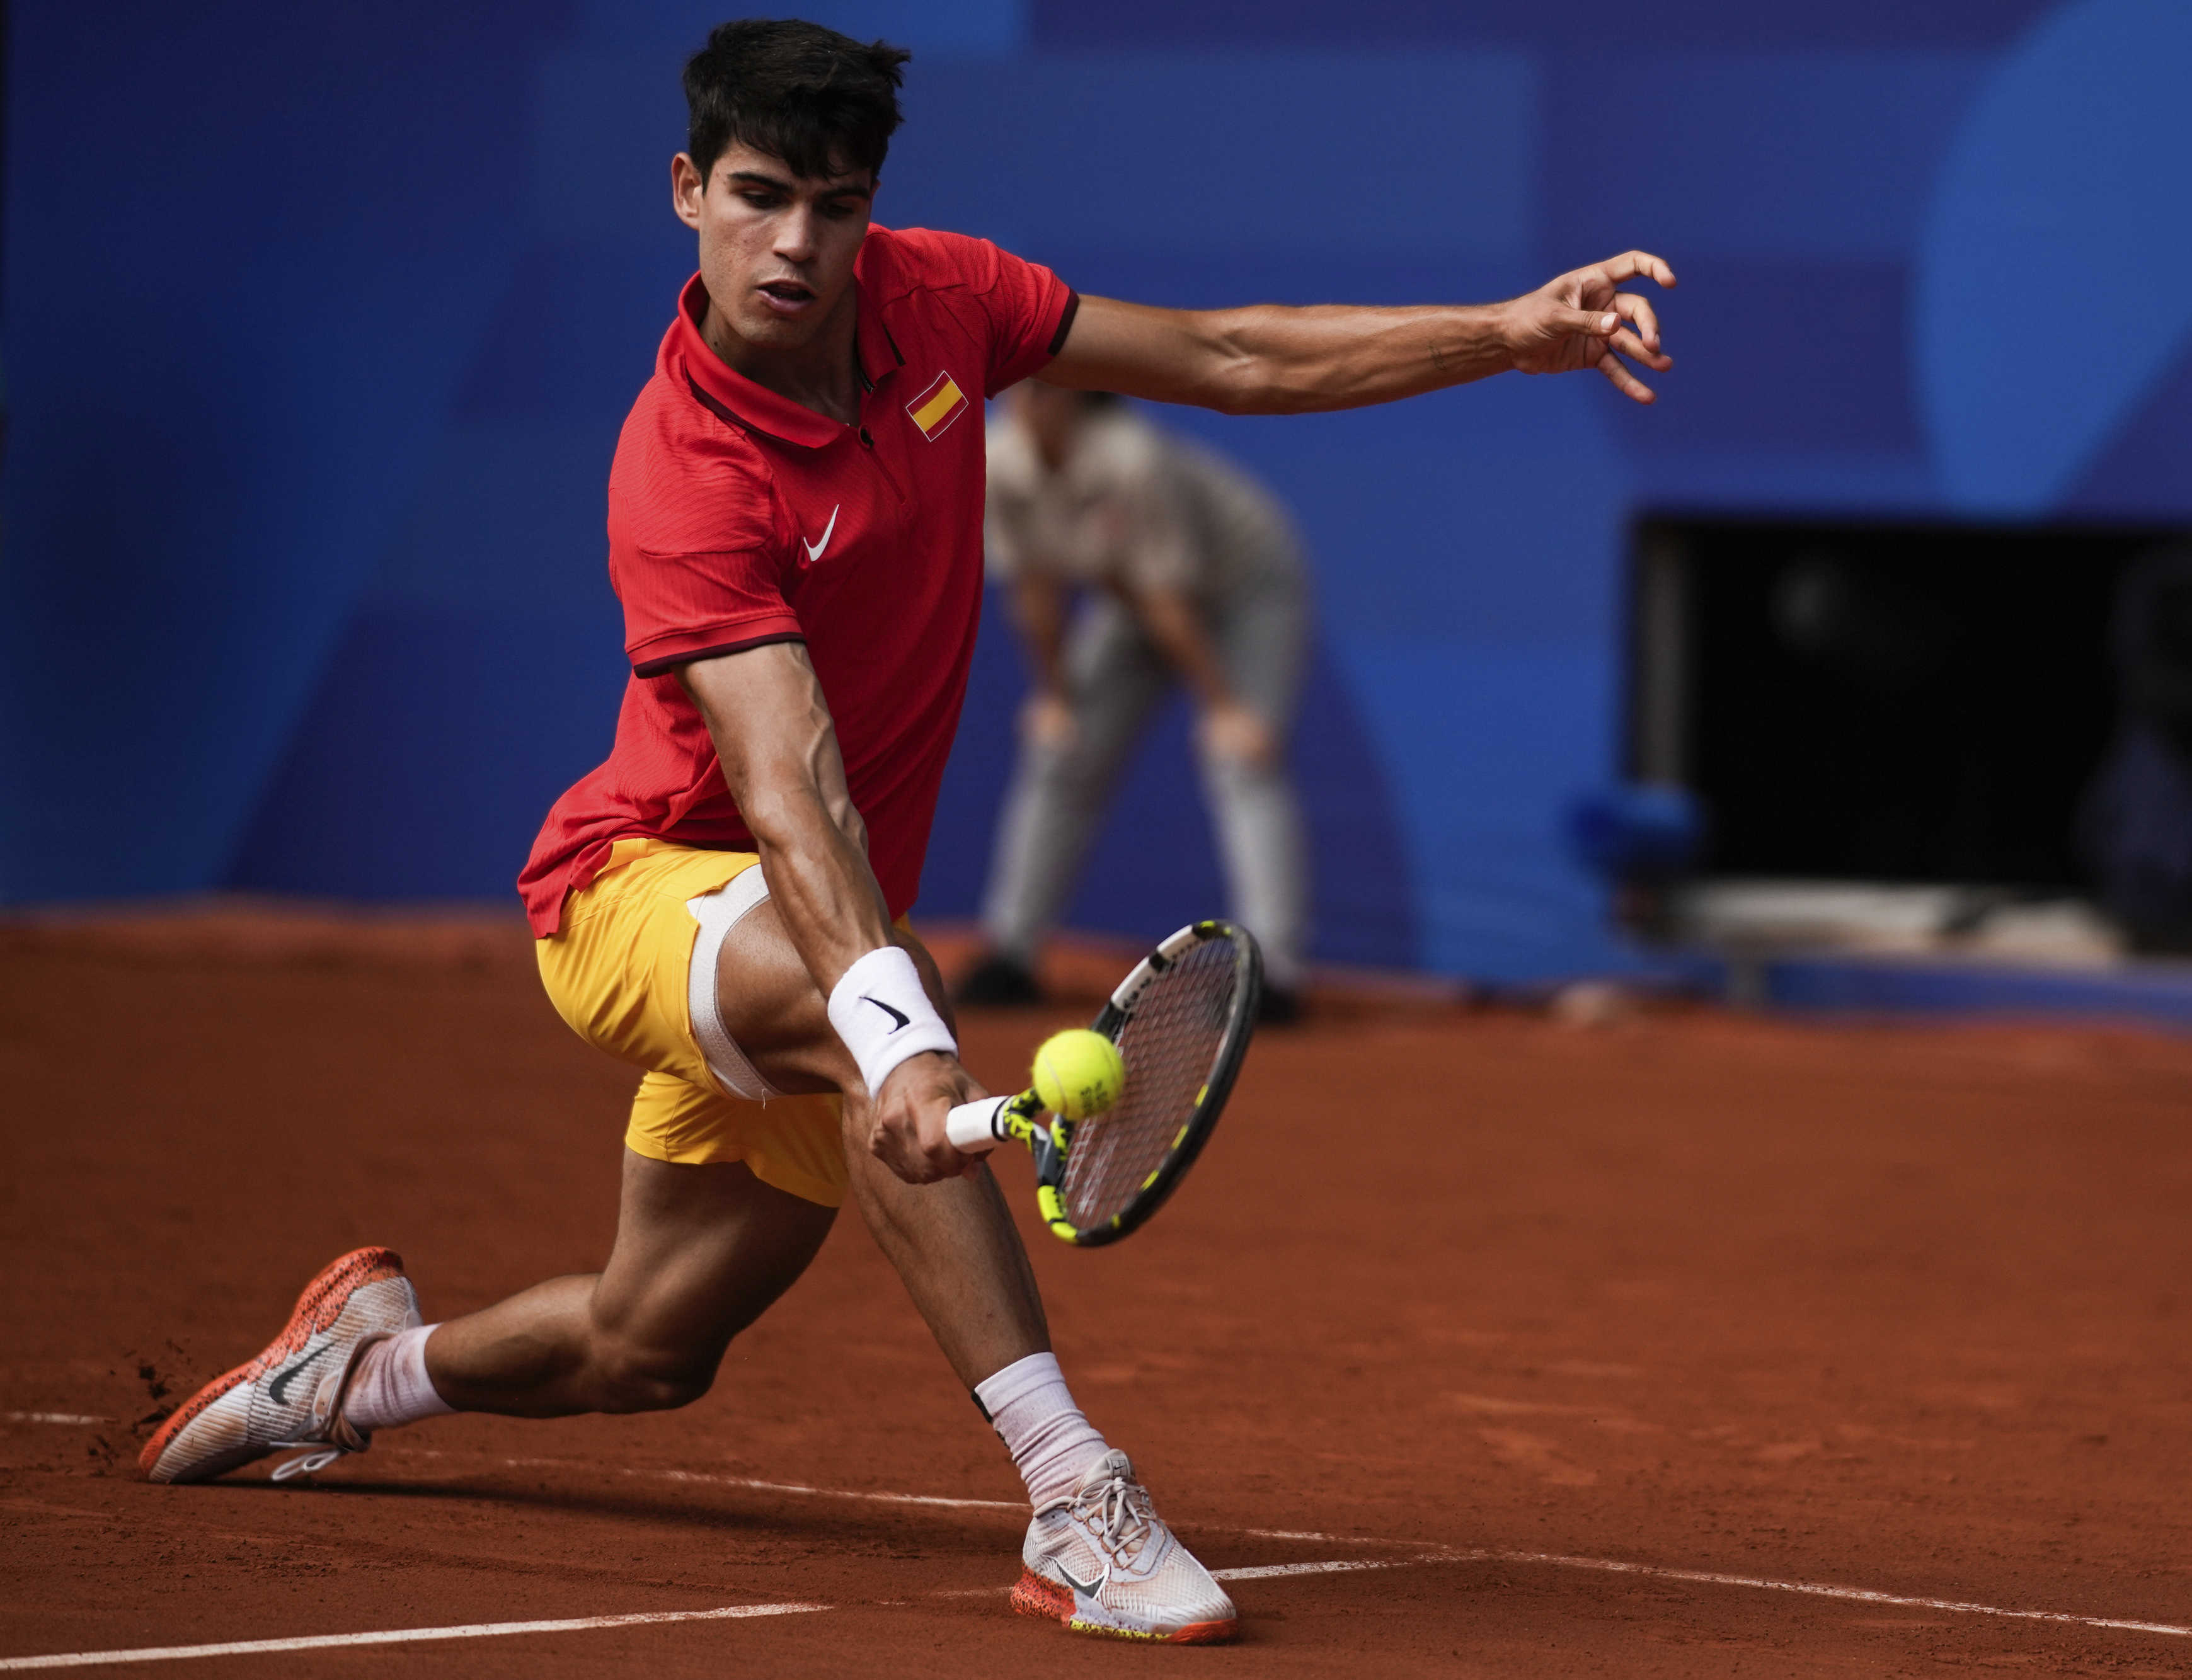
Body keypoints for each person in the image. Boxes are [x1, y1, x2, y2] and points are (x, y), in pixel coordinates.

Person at [138, 20, 1675, 1645]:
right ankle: (1076, 1495)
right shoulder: (683, 469)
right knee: (878, 1000)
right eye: (756, 196)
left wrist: (1503, 333)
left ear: (873, 206)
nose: (795, 243)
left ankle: (356, 1367)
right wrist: (895, 1028)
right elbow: (787, 775)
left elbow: (1231, 354)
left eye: (834, 203)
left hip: (809, 932)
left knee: (648, 1347)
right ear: (685, 190)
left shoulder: (946, 301)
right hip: (634, 896)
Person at [959, 384, 1312, 1021]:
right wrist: (1054, 699)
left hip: (1244, 590)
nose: (1028, 401)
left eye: (1045, 389)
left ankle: (1274, 976)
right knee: (1059, 754)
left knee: (1241, 760)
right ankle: (1011, 952)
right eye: (1019, 387)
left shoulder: (1133, 458)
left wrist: (1224, 709)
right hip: (1135, 604)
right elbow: (1034, 591)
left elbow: (1167, 604)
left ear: (1077, 398)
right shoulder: (997, 462)